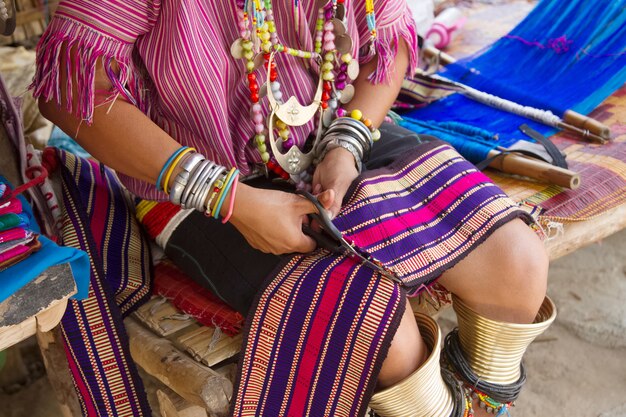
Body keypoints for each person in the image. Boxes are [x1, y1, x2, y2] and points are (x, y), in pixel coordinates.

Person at [33, 0, 555, 416]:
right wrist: (232, 199)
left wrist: (346, 144)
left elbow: (388, 46)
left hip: (330, 133)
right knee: (381, 333)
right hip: (192, 178)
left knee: (518, 265)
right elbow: (70, 90)